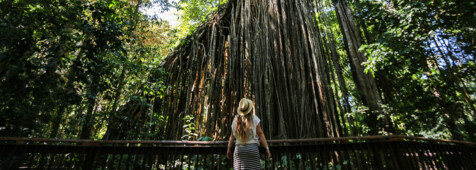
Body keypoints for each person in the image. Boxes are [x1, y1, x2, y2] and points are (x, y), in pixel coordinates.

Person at [227, 98, 271, 169]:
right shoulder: (255, 119)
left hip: (239, 151)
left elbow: (232, 137)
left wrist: (228, 149)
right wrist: (267, 148)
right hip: (252, 150)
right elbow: (261, 134)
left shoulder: (235, 120)